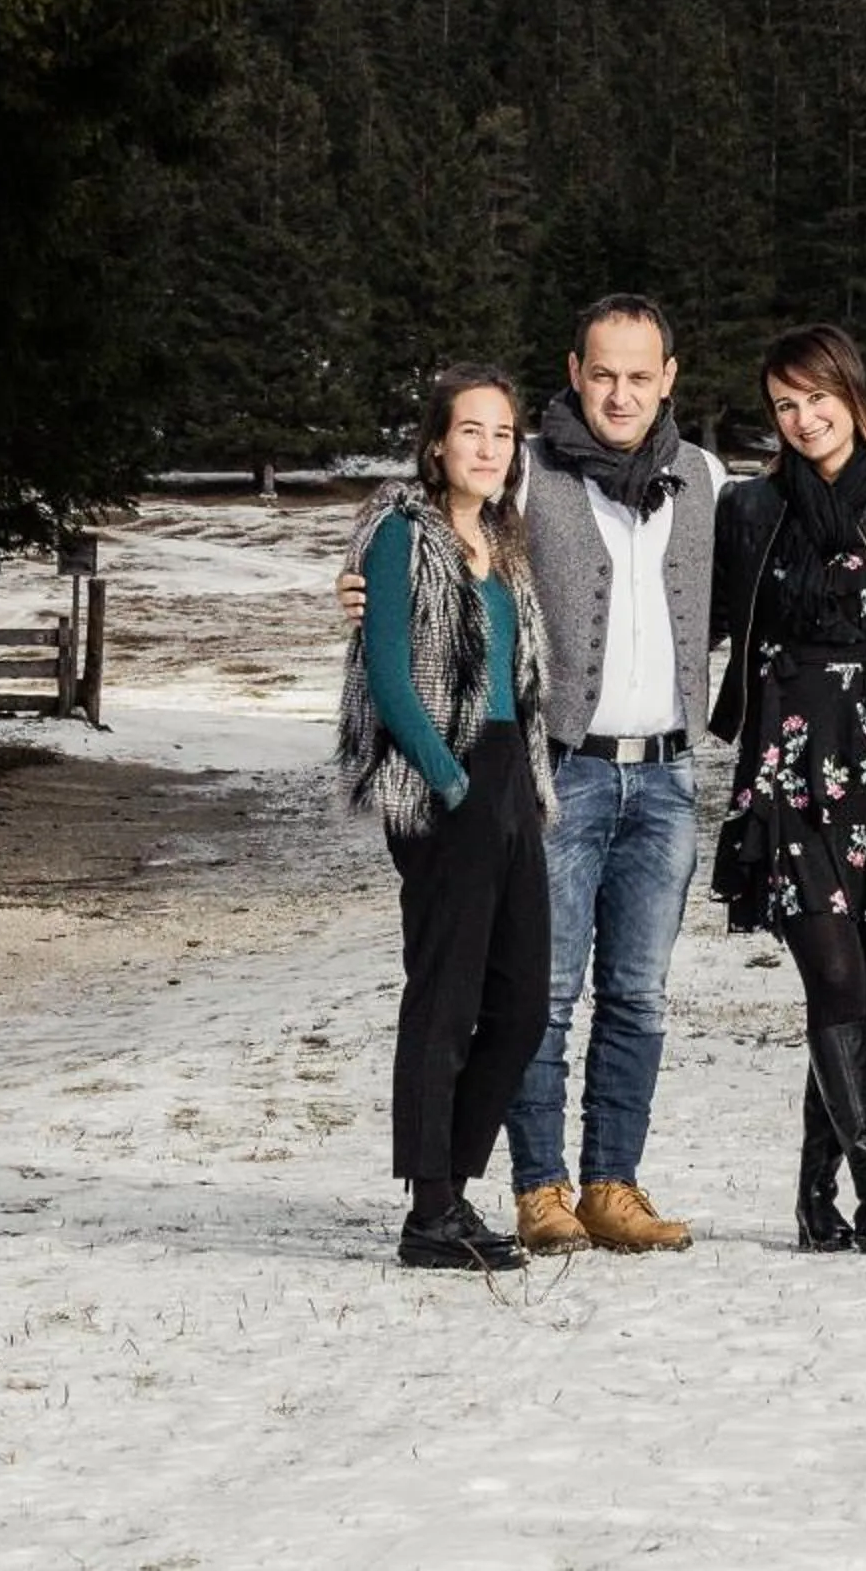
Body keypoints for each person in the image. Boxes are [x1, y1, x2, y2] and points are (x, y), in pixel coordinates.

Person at [342, 294, 725, 1254]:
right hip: (536, 771)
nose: (622, 391)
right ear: (575, 370)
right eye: (603, 372)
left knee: (592, 997)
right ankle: (505, 1194)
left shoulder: (703, 480)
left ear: (670, 377)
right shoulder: (518, 486)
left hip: (626, 777)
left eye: (641, 374)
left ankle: (584, 1188)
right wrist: (357, 590)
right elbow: (402, 612)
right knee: (501, 995)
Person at [709, 324, 866, 1253]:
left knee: (848, 994)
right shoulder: (745, 509)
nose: (804, 419)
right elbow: (685, 610)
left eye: (818, 397)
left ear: (854, 393)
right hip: (783, 768)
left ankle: (817, 1202)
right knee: (837, 975)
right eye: (784, 404)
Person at [337, 365, 553, 1273]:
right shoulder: (400, 534)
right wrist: (449, 780)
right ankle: (430, 1213)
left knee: (523, 1003)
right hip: (444, 780)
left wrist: (508, 786)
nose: (490, 449)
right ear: (437, 443)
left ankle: (453, 1188)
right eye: (472, 431)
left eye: (503, 434)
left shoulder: (502, 540)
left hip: (511, 776)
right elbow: (389, 672)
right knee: (446, 996)